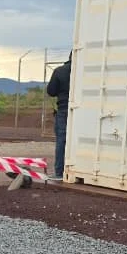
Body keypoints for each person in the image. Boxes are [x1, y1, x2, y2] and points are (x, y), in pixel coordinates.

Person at [46, 52, 71, 180]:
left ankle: (59, 172)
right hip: (85, 110)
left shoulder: (60, 71)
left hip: (64, 109)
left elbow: (51, 91)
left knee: (62, 139)